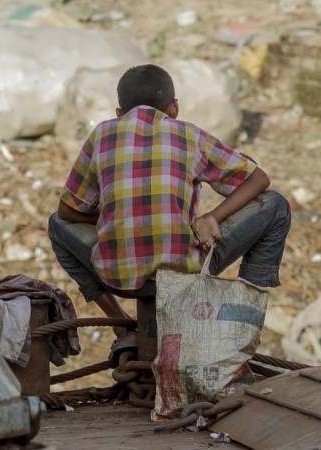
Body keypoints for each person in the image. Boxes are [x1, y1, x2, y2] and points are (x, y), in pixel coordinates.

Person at [47, 64, 291, 362]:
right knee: (276, 205)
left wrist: (110, 218)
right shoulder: (188, 134)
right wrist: (212, 216)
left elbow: (66, 211)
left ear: (118, 112)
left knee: (55, 224)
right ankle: (244, 319)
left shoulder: (102, 135)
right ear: (173, 108)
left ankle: (122, 327)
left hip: (117, 275)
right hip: (185, 273)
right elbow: (259, 180)